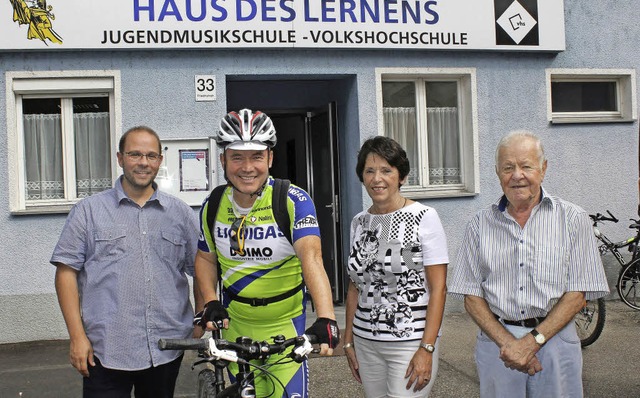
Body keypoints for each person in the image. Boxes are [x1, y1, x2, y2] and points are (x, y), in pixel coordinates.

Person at [448, 130, 610, 397]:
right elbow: (471, 294)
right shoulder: (479, 224)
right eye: (508, 167)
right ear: (497, 172)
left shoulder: (573, 219)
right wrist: (512, 345)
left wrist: (532, 342)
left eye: (526, 166)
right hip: (497, 344)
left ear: (543, 169)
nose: (517, 175)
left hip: (556, 340)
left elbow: (577, 294)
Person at [194, 108, 340, 398]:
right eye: (237, 156)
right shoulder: (213, 204)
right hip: (235, 328)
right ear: (223, 160)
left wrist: (326, 316)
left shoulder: (292, 200)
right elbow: (205, 258)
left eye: (256, 156)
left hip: (286, 328)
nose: (247, 167)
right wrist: (210, 301)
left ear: (270, 158)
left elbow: (312, 258)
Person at [50, 126, 200, 398]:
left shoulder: (181, 213)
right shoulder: (88, 211)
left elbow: (201, 269)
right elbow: (65, 273)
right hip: (105, 350)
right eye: (135, 154)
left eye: (151, 156)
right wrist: (77, 336)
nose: (144, 162)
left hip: (166, 347)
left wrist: (200, 315)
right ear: (120, 158)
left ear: (159, 161)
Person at [343, 136, 449, 397]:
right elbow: (356, 285)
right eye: (369, 171)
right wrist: (348, 341)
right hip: (366, 341)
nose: (377, 179)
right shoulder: (359, 222)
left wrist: (427, 348)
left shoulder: (423, 217)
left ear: (401, 176)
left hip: (409, 343)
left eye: (386, 170)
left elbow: (438, 289)